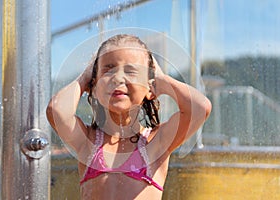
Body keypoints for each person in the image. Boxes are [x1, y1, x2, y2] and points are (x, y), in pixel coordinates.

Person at [46, 34, 211, 200]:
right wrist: (84, 79)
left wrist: (160, 80)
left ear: (150, 89)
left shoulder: (156, 143)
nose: (118, 78)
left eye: (131, 71)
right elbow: (57, 111)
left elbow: (200, 108)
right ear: (94, 87)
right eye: (108, 70)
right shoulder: (87, 142)